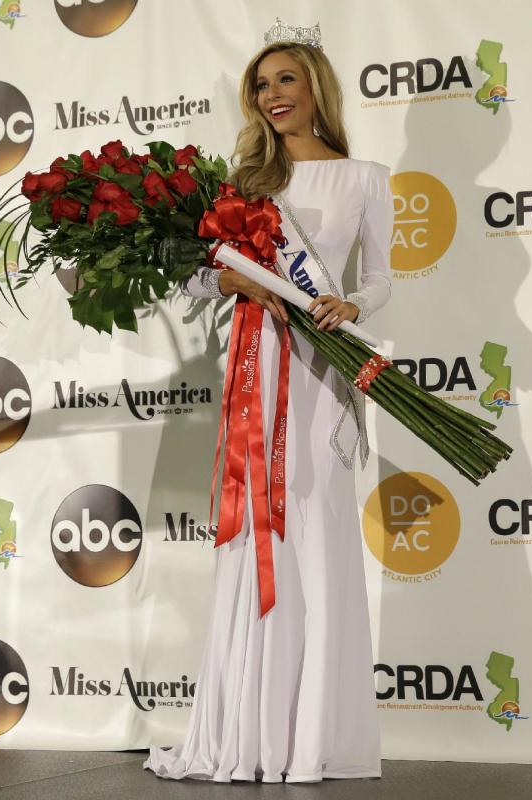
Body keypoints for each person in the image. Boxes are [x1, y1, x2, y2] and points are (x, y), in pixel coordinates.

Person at [143, 37, 394, 784]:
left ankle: (313, 734)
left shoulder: (365, 179)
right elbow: (197, 280)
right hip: (258, 365)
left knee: (315, 534)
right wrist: (234, 288)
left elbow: (380, 279)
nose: (271, 94)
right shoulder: (244, 182)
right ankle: (248, 733)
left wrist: (351, 303)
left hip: (323, 371)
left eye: (286, 80)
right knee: (260, 531)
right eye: (260, 85)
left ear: (315, 86)